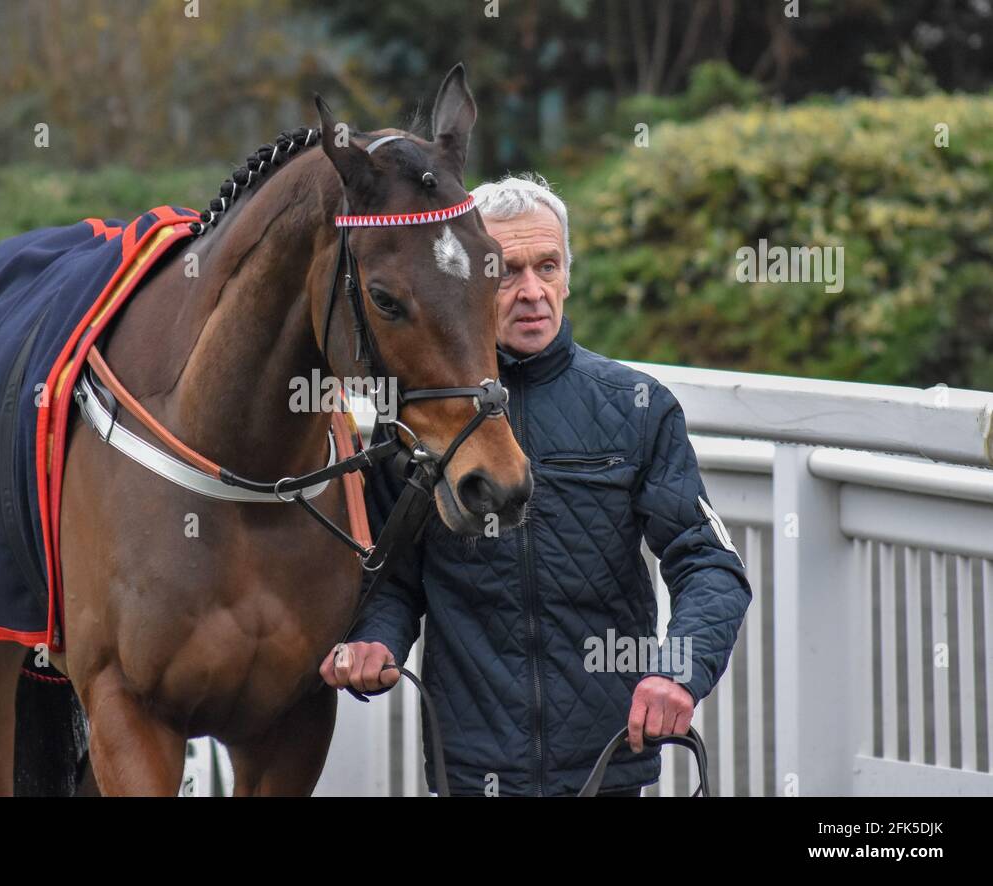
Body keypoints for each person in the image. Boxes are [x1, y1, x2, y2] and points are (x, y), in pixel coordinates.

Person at [320, 174, 751, 797]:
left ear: (568, 276)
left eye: (546, 267)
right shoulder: (414, 424)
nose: (531, 292)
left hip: (608, 765)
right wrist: (373, 643)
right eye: (505, 272)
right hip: (472, 772)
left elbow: (710, 564)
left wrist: (677, 672)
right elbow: (394, 580)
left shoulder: (636, 408)